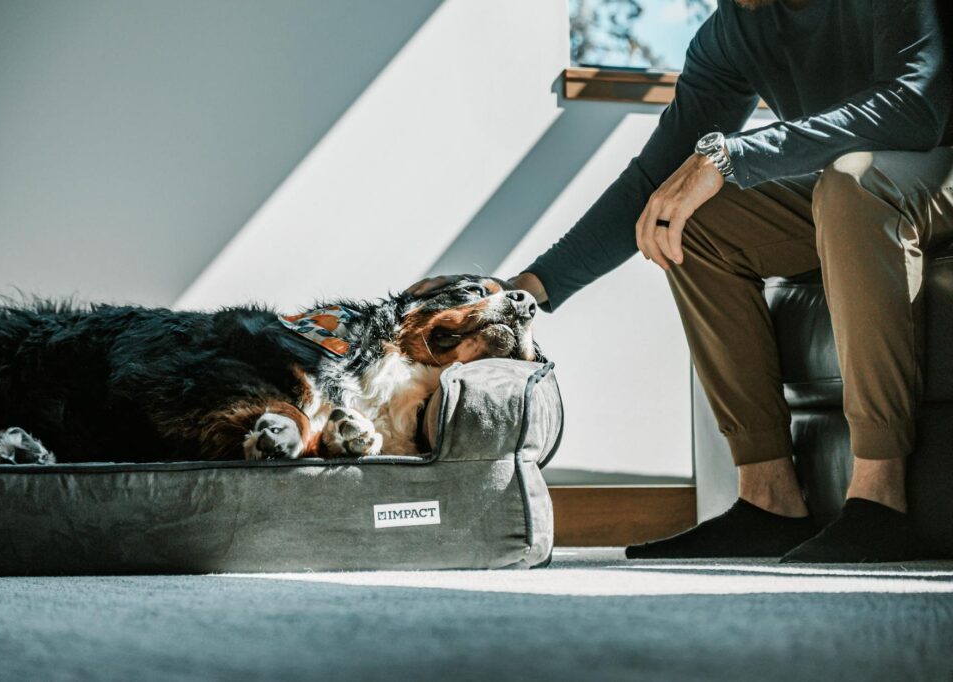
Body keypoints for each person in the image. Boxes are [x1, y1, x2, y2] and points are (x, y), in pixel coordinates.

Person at [408, 0, 952, 562]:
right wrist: (525, 289)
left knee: (848, 184)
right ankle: (769, 501)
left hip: (938, 167)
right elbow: (653, 178)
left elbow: (914, 107)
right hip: (857, 195)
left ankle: (879, 501)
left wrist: (732, 155)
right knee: (685, 217)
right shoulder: (735, 28)